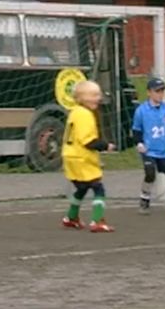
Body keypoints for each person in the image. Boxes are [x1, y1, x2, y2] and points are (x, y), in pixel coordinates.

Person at [60, 80, 117, 233]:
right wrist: (105, 146)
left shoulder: (74, 112)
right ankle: (97, 221)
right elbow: (87, 141)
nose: (98, 98)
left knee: (82, 187)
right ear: (83, 98)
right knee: (98, 188)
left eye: (98, 95)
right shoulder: (85, 115)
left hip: (70, 156)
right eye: (94, 95)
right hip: (81, 158)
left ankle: (71, 218)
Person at [133, 77, 165, 215]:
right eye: (157, 91)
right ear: (149, 92)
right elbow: (136, 130)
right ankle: (144, 201)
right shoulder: (141, 111)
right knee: (150, 173)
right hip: (149, 150)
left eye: (162, 91)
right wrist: (139, 143)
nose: (160, 94)